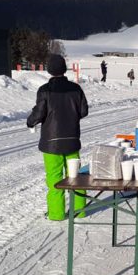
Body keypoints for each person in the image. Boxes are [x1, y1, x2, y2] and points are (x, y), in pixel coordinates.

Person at [27, 54, 89, 221]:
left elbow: (39, 113)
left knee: (54, 177)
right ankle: (79, 210)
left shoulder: (44, 90)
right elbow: (83, 111)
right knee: (75, 177)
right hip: (72, 140)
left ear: (49, 70)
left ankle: (56, 214)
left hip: (51, 143)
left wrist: (30, 122)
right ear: (64, 68)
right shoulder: (76, 89)